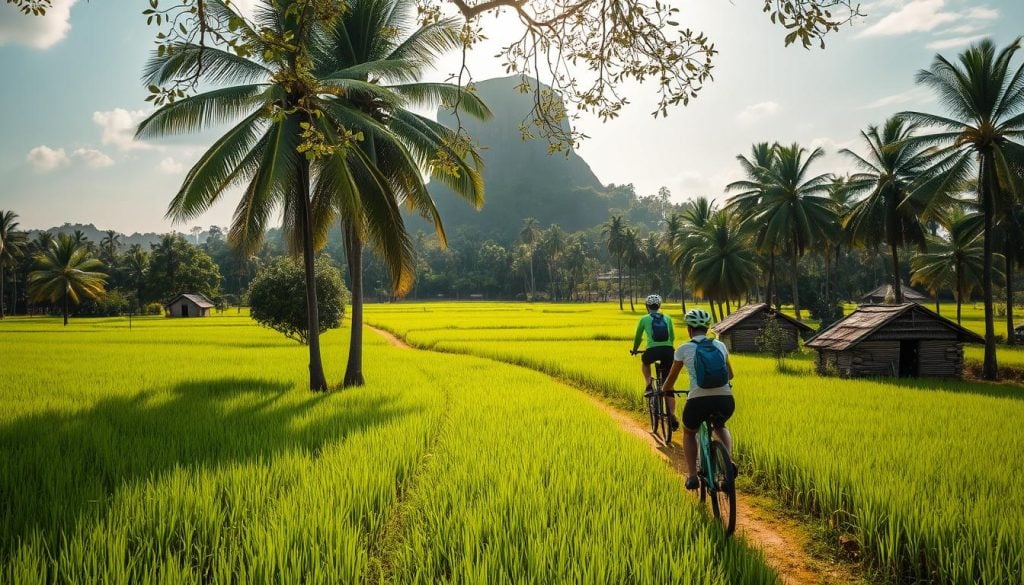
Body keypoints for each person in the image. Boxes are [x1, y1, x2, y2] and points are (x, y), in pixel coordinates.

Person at [661, 308, 736, 490]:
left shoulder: (683, 349)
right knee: (720, 426)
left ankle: (693, 475)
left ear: (689, 329)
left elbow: (671, 380)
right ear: (707, 327)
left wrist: (665, 390)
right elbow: (730, 375)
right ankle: (728, 463)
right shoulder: (720, 346)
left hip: (698, 401)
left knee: (689, 433)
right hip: (725, 400)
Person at [630, 294, 678, 429]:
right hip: (668, 351)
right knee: (669, 386)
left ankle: (649, 384)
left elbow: (638, 336)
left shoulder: (644, 319)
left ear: (647, 306)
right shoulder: (667, 318)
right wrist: (668, 348)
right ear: (659, 306)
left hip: (652, 351)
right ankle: (672, 415)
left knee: (645, 362)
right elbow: (672, 336)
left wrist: (635, 349)